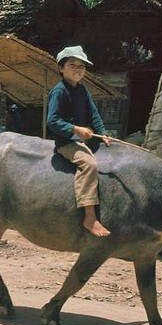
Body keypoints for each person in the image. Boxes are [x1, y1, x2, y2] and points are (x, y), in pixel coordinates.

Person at [47, 46, 111, 237]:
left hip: (87, 140)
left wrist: (103, 132)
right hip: (67, 142)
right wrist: (75, 129)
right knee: (89, 164)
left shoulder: (83, 90)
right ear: (61, 68)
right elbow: (53, 120)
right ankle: (89, 217)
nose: (78, 69)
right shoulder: (58, 91)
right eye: (72, 65)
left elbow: (94, 115)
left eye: (81, 66)